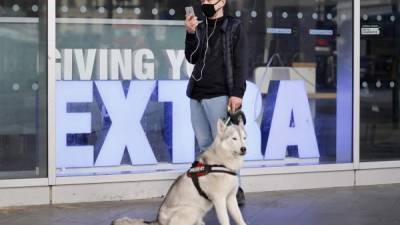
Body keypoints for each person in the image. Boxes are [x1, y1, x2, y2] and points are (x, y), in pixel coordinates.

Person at [184, 0, 248, 206]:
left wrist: (237, 93)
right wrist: (191, 34)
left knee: (227, 147)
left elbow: (241, 62)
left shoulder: (234, 26)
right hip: (197, 94)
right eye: (203, 0)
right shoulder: (201, 28)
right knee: (204, 145)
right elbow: (192, 58)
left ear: (222, 2)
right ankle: (208, 190)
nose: (206, 3)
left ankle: (235, 190)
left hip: (221, 94)